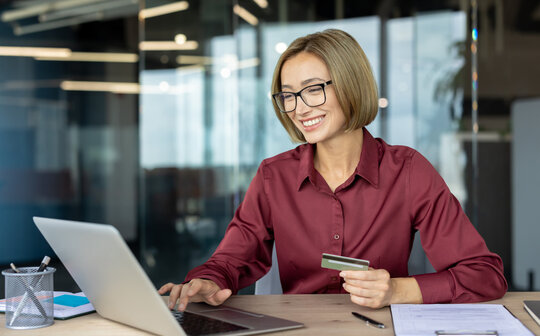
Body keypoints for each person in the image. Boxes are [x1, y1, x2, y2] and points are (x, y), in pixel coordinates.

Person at [159, 29, 507, 311]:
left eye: (313, 89)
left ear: (350, 84)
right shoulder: (273, 176)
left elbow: (484, 275)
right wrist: (208, 281)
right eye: (288, 95)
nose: (298, 107)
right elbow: (230, 260)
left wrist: (396, 291)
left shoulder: (408, 170)